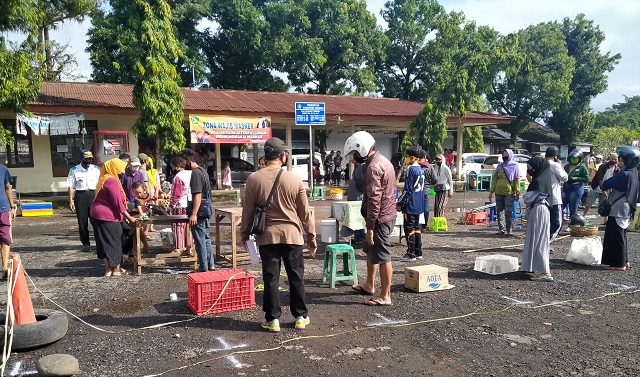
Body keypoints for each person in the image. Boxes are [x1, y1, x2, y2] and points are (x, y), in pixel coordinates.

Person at [240, 137, 316, 332]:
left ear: (266, 156)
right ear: (282, 156)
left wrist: (244, 234)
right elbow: (304, 213)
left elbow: (247, 211)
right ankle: (300, 316)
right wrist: (311, 236)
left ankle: (273, 319)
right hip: (293, 236)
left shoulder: (254, 179)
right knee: (296, 277)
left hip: (267, 237)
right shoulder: (294, 179)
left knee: (271, 278)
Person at [344, 131, 396, 306]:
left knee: (382, 256)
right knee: (371, 251)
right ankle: (369, 284)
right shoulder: (383, 161)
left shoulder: (373, 168)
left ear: (361, 150)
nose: (353, 158)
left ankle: (385, 295)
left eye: (354, 154)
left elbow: (375, 200)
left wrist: (370, 228)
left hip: (380, 219)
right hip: (385, 215)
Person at [90, 159, 136, 277]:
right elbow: (117, 203)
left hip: (97, 215)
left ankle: (108, 269)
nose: (123, 171)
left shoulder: (104, 178)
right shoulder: (111, 181)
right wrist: (129, 218)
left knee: (103, 242)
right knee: (114, 241)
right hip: (108, 216)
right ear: (114, 168)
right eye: (121, 169)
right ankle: (116, 270)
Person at [600, 146, 639, 271]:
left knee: (616, 237)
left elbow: (605, 184)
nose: (619, 163)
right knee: (622, 236)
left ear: (629, 161)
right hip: (627, 209)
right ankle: (624, 261)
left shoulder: (625, 174)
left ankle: (619, 264)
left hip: (619, 208)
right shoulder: (634, 173)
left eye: (622, 161)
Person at [179, 148, 214, 272]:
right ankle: (211, 264)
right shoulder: (203, 171)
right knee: (206, 238)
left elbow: (197, 195)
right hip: (206, 209)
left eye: (182, 161)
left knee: (200, 240)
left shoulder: (195, 173)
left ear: (188, 160)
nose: (181, 164)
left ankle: (204, 267)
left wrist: (194, 214)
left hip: (199, 212)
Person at [521, 156, 553, 282]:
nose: (529, 171)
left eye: (530, 168)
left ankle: (545, 272)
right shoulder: (544, 179)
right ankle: (533, 266)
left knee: (539, 240)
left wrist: (525, 195)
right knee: (535, 238)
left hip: (539, 209)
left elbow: (528, 198)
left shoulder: (539, 181)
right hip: (540, 210)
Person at [67, 150, 101, 252]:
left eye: (90, 159)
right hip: (80, 195)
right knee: (82, 221)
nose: (88, 160)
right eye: (86, 158)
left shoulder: (96, 169)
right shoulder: (74, 170)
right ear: (81, 158)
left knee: (96, 220)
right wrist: (71, 200)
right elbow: (71, 186)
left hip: (93, 194)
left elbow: (100, 184)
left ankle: (99, 242)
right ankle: (86, 243)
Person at [397, 146, 426, 261]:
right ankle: (418, 252)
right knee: (416, 227)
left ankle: (411, 253)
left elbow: (408, 189)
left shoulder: (411, 169)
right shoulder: (421, 169)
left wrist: (399, 202)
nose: (406, 158)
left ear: (412, 157)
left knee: (409, 228)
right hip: (419, 203)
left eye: (407, 156)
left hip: (411, 203)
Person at [488, 149, 520, 236]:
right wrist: (491, 192)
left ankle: (509, 230)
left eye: (506, 154)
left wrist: (517, 192)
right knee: (499, 211)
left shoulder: (514, 166)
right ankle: (501, 229)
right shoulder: (499, 166)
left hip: (509, 193)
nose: (504, 156)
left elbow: (516, 180)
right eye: (503, 154)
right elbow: (495, 180)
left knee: (508, 212)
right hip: (498, 192)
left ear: (510, 155)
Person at [584, 152, 619, 222]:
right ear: (610, 159)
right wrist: (603, 190)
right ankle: (583, 216)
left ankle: (605, 220)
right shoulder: (603, 166)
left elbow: (614, 180)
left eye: (615, 159)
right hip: (596, 187)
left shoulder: (616, 169)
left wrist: (609, 190)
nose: (614, 161)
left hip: (606, 188)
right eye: (612, 159)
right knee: (589, 203)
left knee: (605, 204)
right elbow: (599, 179)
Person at [545, 147, 568, 241]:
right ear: (555, 156)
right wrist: (561, 166)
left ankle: (542, 243)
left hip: (543, 197)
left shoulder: (541, 163)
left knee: (545, 223)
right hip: (554, 197)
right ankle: (546, 243)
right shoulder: (555, 165)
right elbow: (564, 178)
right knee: (557, 223)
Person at [0, 164, 17, 280]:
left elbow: (8, 188)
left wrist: (12, 206)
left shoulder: (3, 169)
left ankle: (5, 267)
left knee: (5, 239)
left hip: (4, 209)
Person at [562, 149, 589, 219]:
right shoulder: (567, 166)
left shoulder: (582, 167)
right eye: (572, 158)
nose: (573, 160)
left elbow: (586, 179)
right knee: (561, 206)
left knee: (573, 208)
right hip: (566, 187)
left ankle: (571, 225)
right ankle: (558, 223)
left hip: (576, 188)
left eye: (575, 158)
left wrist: (577, 178)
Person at [346, 157, 366, 244]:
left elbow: (362, 181)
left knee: (358, 217)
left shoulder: (361, 166)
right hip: (354, 196)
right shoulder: (357, 166)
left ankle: (361, 237)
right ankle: (358, 236)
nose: (351, 159)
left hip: (358, 197)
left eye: (352, 157)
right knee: (354, 217)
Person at [418, 150, 432, 231]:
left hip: (417, 190)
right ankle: (424, 226)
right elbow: (435, 179)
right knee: (426, 208)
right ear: (425, 157)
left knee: (417, 207)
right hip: (426, 189)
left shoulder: (415, 166)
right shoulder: (429, 167)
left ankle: (417, 225)